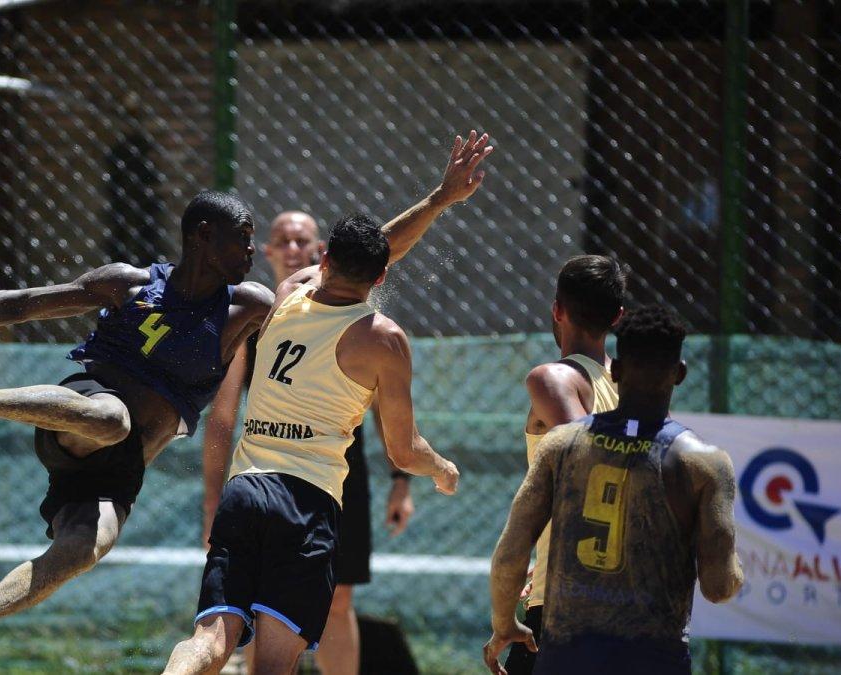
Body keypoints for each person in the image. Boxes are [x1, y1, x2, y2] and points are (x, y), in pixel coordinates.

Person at [0, 130, 490, 659]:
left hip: (120, 467)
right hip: (81, 409)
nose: (254, 251)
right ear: (205, 236)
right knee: (112, 417)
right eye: (244, 239)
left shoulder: (251, 305)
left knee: (86, 546)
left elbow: (359, 261)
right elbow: (22, 304)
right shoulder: (128, 285)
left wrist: (439, 200)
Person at [164, 209, 466, 675]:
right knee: (275, 661)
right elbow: (404, 451)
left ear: (323, 260)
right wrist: (442, 469)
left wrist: (440, 198)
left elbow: (371, 249)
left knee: (210, 639)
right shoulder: (383, 338)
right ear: (382, 276)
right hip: (305, 500)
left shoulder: (286, 292)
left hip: (245, 490)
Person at [484, 305, 745, 675]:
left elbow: (510, 553)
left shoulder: (561, 445)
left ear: (616, 370)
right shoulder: (705, 464)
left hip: (565, 657)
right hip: (654, 660)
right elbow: (718, 587)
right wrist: (735, 570)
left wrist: (504, 623)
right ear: (680, 374)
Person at [504, 255, 626, 675]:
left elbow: (590, 463)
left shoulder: (554, 379)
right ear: (617, 316)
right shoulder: (631, 387)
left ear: (557, 310)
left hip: (568, 598)